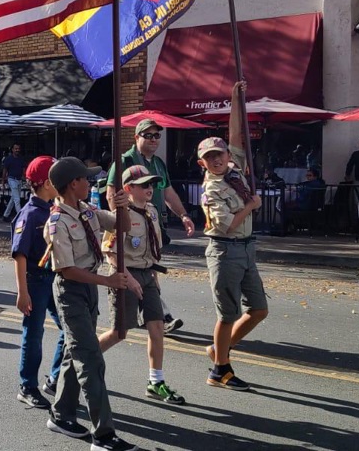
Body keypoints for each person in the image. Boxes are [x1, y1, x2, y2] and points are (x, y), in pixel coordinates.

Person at [43, 156, 141, 451]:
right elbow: (66, 269)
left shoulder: (86, 210)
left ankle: (61, 415)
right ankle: (104, 436)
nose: (90, 182)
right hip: (71, 291)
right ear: (74, 184)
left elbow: (123, 227)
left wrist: (121, 206)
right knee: (91, 360)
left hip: (89, 288)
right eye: (86, 178)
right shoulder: (57, 221)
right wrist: (109, 282)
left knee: (78, 354)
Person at [199, 81, 269, 392]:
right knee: (228, 315)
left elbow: (236, 136)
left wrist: (236, 102)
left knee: (259, 310)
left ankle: (219, 350)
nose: (217, 159)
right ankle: (220, 369)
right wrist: (251, 206)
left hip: (246, 248)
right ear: (203, 162)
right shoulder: (212, 188)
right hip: (225, 250)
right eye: (210, 157)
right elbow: (225, 225)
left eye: (220, 154)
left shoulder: (235, 171)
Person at [97, 164, 185, 405]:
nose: (150, 188)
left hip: (147, 274)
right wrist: (131, 279)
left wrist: (153, 278)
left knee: (157, 328)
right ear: (128, 188)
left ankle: (155, 382)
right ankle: (76, 363)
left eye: (152, 184)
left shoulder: (153, 211)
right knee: (119, 332)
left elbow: (153, 247)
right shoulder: (121, 216)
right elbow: (111, 253)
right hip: (125, 276)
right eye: (144, 185)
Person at [105, 119, 195, 334]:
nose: (154, 139)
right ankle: (160, 316)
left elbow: (167, 193)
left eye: (157, 136)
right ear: (137, 137)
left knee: (151, 271)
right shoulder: (124, 161)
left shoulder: (158, 163)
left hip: (152, 224)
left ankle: (156, 316)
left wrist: (183, 215)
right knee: (141, 275)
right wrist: (122, 220)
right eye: (148, 135)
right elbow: (111, 193)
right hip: (132, 227)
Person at [11, 155, 65, 409]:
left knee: (68, 328)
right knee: (34, 334)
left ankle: (55, 377)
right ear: (45, 183)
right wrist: (22, 292)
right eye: (56, 178)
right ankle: (27, 385)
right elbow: (20, 254)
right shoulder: (30, 214)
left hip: (54, 278)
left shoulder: (54, 208)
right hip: (36, 280)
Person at [1, 144, 27, 222]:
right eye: (15, 149)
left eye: (18, 148)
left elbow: (23, 171)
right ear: (12, 149)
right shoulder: (9, 159)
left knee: (14, 198)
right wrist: (3, 181)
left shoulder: (20, 159)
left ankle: (6, 215)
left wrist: (25, 178)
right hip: (12, 179)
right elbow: (5, 170)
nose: (17, 150)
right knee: (17, 199)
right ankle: (20, 217)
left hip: (18, 179)